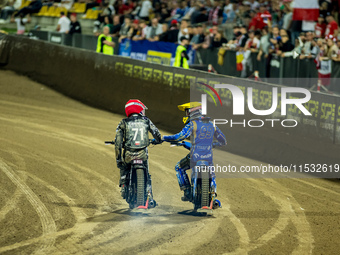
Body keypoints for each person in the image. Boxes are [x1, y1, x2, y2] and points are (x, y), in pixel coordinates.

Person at [163, 102, 226, 202]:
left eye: (187, 112)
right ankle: (213, 195)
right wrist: (214, 144)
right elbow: (223, 140)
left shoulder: (192, 124)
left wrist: (164, 138)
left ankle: (187, 192)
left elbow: (178, 137)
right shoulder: (212, 124)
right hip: (208, 157)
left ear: (192, 112)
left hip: (195, 156)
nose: (186, 114)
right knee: (212, 173)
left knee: (179, 167)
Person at [115, 99, 162, 200]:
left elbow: (117, 142)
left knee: (124, 167)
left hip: (128, 155)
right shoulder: (146, 120)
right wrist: (158, 140)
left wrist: (119, 160)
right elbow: (157, 133)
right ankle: (149, 193)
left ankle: (123, 184)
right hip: (142, 154)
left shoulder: (123, 122)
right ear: (139, 109)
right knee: (147, 172)